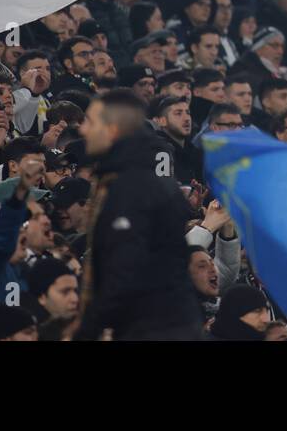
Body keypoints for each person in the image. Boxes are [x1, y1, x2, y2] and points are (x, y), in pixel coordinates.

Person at [76, 89, 203, 340]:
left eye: (90, 122)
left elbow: (123, 273)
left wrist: (86, 332)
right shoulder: (140, 177)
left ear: (112, 130)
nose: (82, 130)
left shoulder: (132, 188)